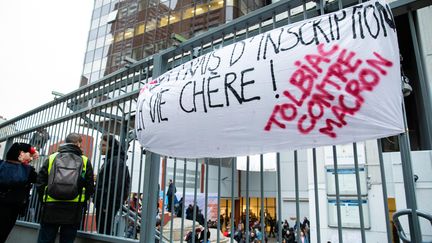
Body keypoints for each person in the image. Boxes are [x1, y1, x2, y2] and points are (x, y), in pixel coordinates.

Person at [36, 133, 94, 243]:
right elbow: (90, 186)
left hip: (51, 206)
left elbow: (40, 182)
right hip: (74, 208)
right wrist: (82, 202)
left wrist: (43, 199)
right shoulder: (85, 160)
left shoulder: (52, 157)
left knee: (45, 239)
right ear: (78, 143)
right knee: (67, 240)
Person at [0, 142, 38, 243]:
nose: (31, 158)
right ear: (21, 153)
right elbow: (40, 180)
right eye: (29, 155)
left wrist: (30, 154)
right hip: (13, 208)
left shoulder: (1, 165)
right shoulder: (27, 171)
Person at [94, 134, 130, 235]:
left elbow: (116, 185)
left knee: (104, 232)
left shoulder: (116, 161)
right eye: (100, 144)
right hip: (103, 202)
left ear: (111, 147)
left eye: (104, 145)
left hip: (106, 204)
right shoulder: (110, 160)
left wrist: (107, 205)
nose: (100, 147)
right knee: (103, 231)